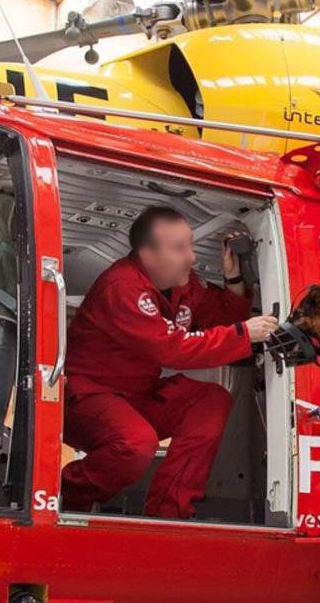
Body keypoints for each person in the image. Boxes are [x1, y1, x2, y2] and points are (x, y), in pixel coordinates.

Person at [61, 206, 278, 519]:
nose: (191, 256)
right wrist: (246, 333)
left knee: (211, 399)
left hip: (135, 397)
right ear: (147, 254)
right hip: (86, 399)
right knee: (137, 444)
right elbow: (172, 350)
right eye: (179, 248)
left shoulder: (182, 284)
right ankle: (64, 500)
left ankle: (169, 515)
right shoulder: (122, 286)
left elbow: (223, 318)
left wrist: (233, 277)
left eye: (189, 245)